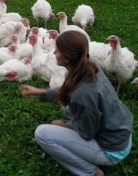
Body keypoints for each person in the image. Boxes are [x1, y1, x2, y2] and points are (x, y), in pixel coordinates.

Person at [19, 30, 133, 176]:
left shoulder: (82, 95)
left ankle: (91, 171)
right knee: (67, 108)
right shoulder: (90, 68)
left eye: (58, 50)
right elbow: (70, 89)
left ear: (67, 58)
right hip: (121, 133)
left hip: (112, 149)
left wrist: (66, 125)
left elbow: (87, 132)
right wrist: (42, 92)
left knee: (42, 134)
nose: (54, 53)